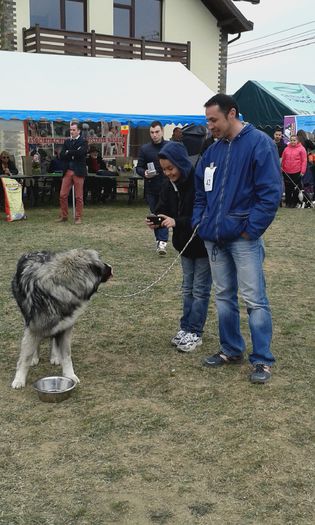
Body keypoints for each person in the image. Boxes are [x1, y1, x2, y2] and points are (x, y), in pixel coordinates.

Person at [192, 94, 282, 384]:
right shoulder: (213, 151)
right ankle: (231, 349)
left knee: (255, 299)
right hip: (214, 239)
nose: (210, 126)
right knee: (223, 297)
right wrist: (200, 222)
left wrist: (249, 230)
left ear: (232, 114)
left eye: (213, 120)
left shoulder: (260, 144)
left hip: (243, 240)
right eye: (208, 120)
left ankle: (263, 360)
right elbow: (199, 192)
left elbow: (269, 195)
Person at [146, 141, 211, 352]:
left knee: (200, 290)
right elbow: (162, 207)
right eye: (164, 169)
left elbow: (200, 215)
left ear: (181, 164)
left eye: (170, 168)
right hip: (183, 246)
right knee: (187, 289)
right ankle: (186, 327)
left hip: (201, 245)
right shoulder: (167, 185)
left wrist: (176, 221)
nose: (167, 173)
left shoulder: (197, 182)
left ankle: (195, 332)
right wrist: (157, 218)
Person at [136, 121, 169, 255]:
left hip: (167, 188)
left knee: (163, 213)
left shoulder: (169, 146)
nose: (154, 135)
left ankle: (162, 242)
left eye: (157, 132)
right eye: (152, 132)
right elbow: (138, 167)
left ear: (162, 132)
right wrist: (144, 173)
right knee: (155, 214)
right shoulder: (145, 149)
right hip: (151, 188)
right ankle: (159, 240)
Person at [57, 122, 88, 225]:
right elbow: (61, 155)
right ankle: (64, 216)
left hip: (78, 171)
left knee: (79, 196)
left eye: (74, 130)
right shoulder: (67, 142)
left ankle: (78, 217)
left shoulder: (83, 141)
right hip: (68, 171)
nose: (72, 132)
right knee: (63, 194)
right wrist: (72, 152)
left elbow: (81, 153)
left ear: (78, 131)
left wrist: (68, 152)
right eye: (71, 130)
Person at [281, 134, 307, 208]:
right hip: (286, 171)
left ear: (297, 141)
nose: (292, 142)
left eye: (294, 140)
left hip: (297, 171)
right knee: (287, 188)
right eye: (291, 140)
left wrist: (302, 171)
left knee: (295, 188)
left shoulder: (302, 149)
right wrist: (281, 168)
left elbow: (304, 161)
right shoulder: (286, 148)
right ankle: (288, 202)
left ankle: (294, 203)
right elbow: (283, 159)